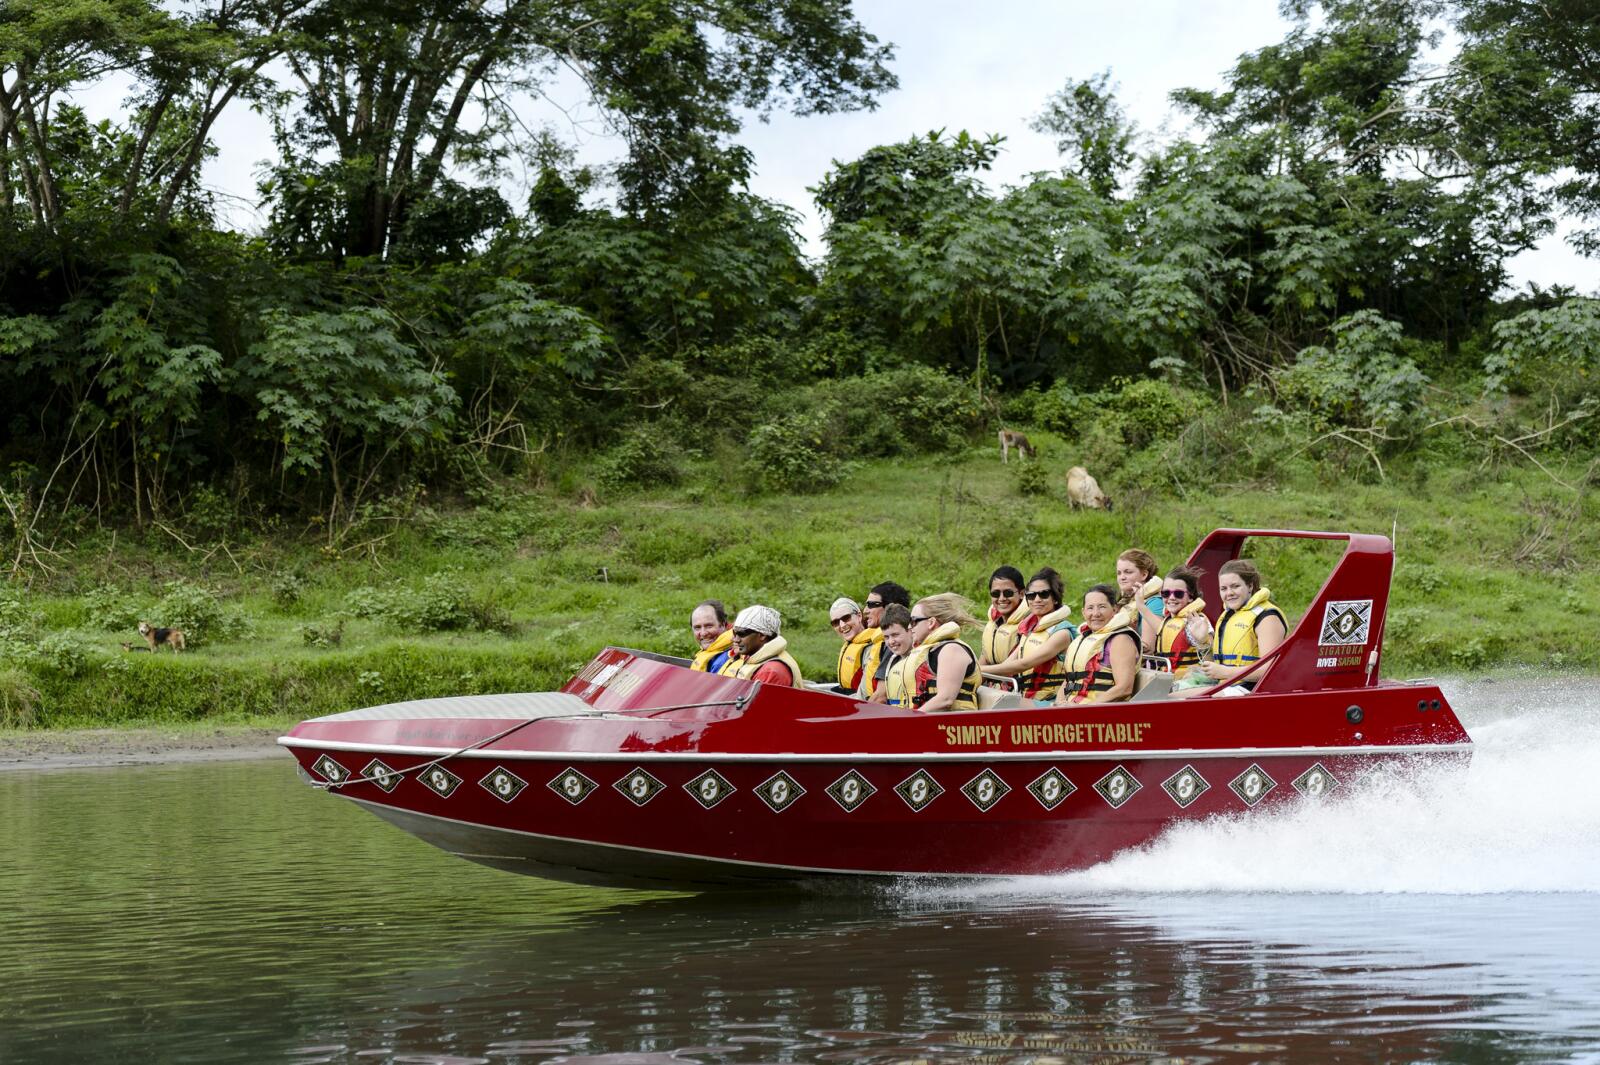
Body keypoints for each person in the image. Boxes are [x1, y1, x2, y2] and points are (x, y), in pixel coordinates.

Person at [982, 567, 1077, 702]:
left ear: (1055, 598)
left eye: (1044, 594)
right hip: (1026, 700)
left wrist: (975, 669)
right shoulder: (1029, 631)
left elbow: (1024, 664)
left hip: (1050, 702)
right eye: (1031, 595)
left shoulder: (1062, 633)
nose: (1037, 599)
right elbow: (1007, 667)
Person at [1193, 559, 1286, 689]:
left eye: (1235, 586)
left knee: (1173, 699)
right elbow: (1214, 667)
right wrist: (1203, 642)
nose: (1229, 593)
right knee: (1170, 691)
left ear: (1250, 586)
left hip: (1252, 690)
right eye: (1223, 589)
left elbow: (1269, 669)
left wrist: (1225, 672)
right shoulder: (1228, 615)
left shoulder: (1267, 617)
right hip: (1226, 687)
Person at [1058, 583, 1141, 704]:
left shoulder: (1120, 640)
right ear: (1083, 612)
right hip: (1073, 709)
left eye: (1102, 607)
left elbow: (1124, 688)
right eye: (1090, 608)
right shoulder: (1082, 639)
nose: (1096, 613)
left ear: (1114, 609)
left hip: (1101, 714)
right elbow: (1069, 680)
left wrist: (1083, 709)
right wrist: (1057, 705)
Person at [906, 593, 982, 712]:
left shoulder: (951, 649)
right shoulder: (933, 649)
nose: (910, 626)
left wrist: (910, 720)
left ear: (931, 622)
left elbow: (945, 699)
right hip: (934, 722)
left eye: (914, 621)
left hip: (954, 726)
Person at [1144, 566, 1209, 678]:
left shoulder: (1198, 621)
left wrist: (1203, 642)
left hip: (1190, 682)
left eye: (1178, 594)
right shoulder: (1168, 620)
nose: (1172, 597)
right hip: (1165, 679)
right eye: (1166, 593)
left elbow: (1210, 661)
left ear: (1190, 596)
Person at [717, 605, 804, 686]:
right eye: (734, 633)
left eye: (741, 634)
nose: (735, 639)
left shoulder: (770, 671)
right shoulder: (754, 657)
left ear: (762, 635)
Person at [861, 581, 911, 702]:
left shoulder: (895, 647)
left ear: (890, 608)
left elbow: (880, 696)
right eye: (887, 637)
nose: (865, 610)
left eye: (872, 605)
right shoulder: (878, 642)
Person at [979, 565, 1028, 666]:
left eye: (1008, 593)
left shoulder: (1030, 624)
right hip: (993, 679)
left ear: (1022, 593)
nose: (1001, 598)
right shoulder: (994, 623)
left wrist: (977, 672)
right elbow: (984, 660)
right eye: (996, 594)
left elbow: (1011, 668)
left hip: (1014, 680)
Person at [1117, 548, 1165, 644]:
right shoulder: (1126, 601)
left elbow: (1147, 647)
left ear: (1144, 575)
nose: (1122, 577)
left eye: (1128, 572)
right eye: (1119, 573)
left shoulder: (1154, 603)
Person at [829, 597, 876, 694]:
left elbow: (866, 693)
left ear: (859, 616)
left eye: (846, 618)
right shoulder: (851, 643)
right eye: (836, 622)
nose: (842, 625)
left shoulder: (871, 647)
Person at [877, 604, 917, 706]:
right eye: (886, 637)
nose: (891, 641)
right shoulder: (892, 660)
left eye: (895, 635)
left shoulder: (923, 658)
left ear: (910, 630)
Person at [689, 599, 734, 673]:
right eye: (697, 627)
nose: (703, 633)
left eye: (709, 626)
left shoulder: (729, 657)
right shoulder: (710, 653)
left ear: (723, 625)